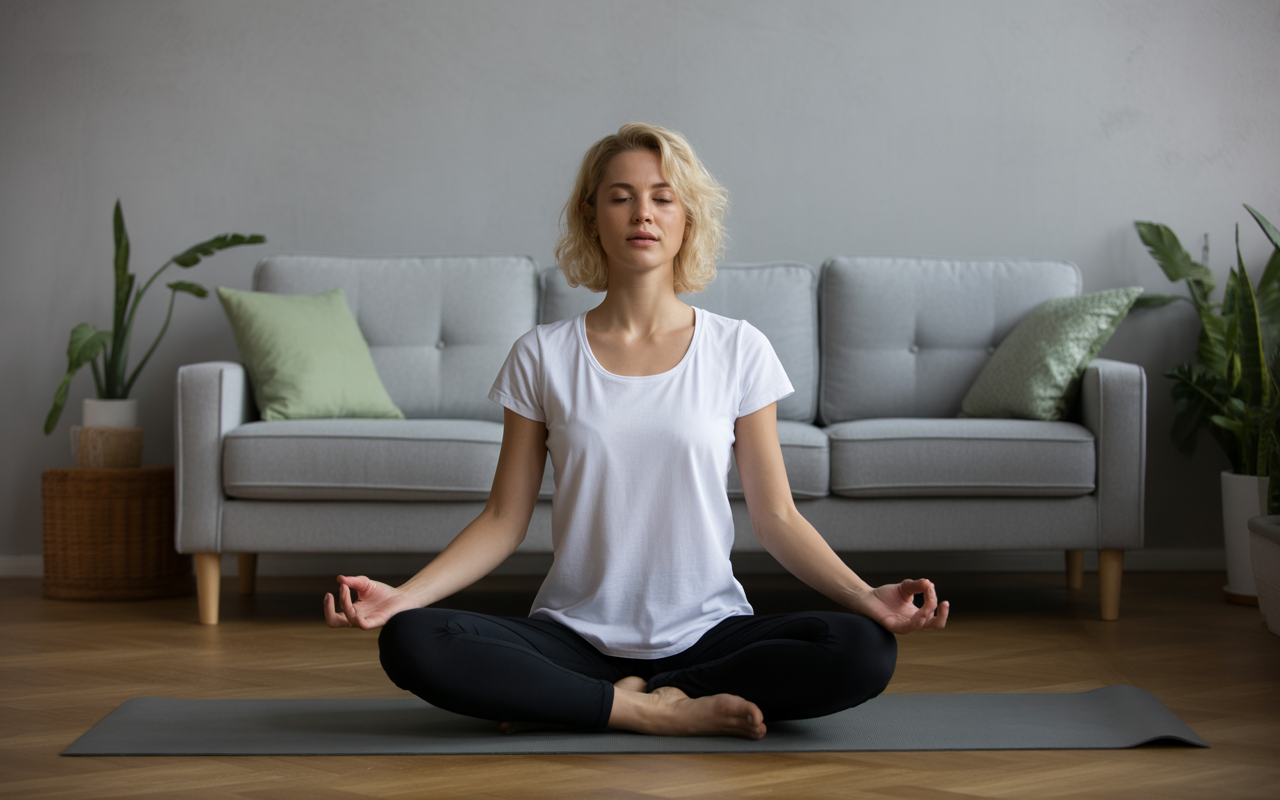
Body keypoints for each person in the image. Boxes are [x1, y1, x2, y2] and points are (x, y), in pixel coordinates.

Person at [325, 123, 949, 740]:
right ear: (591, 215)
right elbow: (502, 521)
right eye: (620, 196)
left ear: (688, 219)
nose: (641, 213)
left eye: (662, 197)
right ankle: (648, 709)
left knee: (862, 649)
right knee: (413, 639)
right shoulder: (542, 354)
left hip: (709, 635)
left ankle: (593, 703)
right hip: (573, 636)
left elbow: (777, 518)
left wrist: (866, 596)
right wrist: (402, 597)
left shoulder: (739, 349)